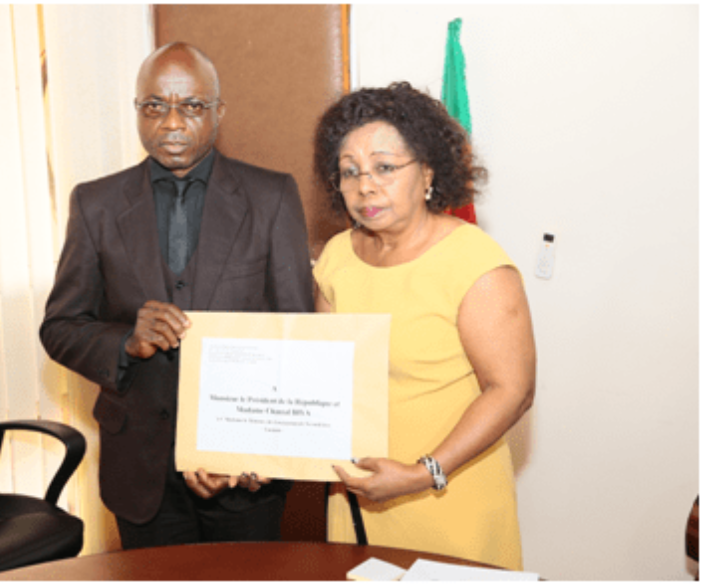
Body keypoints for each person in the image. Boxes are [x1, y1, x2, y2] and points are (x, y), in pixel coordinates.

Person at [40, 42, 313, 549]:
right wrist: (125, 342)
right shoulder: (96, 203)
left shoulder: (272, 196)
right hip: (140, 470)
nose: (171, 122)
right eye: (154, 106)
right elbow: (60, 327)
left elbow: (297, 333)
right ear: (137, 110)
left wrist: (254, 453)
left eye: (191, 106)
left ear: (218, 112)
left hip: (242, 473)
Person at [312, 82, 535, 571]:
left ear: (428, 171)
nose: (365, 186)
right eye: (350, 171)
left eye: (385, 168)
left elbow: (511, 391)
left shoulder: (474, 263)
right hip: (357, 499)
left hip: (448, 497)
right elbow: (323, 378)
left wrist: (422, 472)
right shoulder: (336, 257)